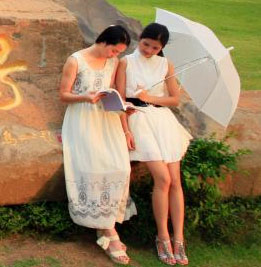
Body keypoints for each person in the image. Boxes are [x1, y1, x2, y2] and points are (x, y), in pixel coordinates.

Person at [59, 25, 135, 265]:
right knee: (94, 167)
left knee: (122, 168)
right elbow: (63, 95)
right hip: (82, 117)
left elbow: (113, 93)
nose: (115, 55)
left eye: (119, 52)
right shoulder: (76, 60)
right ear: (103, 41)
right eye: (113, 50)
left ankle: (106, 225)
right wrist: (86, 97)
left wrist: (125, 121)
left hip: (107, 119)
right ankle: (108, 231)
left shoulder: (114, 63)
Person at [115, 23, 191, 265]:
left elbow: (174, 99)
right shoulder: (126, 62)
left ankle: (179, 237)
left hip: (162, 120)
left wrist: (152, 98)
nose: (148, 50)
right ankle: (162, 236)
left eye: (155, 47)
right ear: (140, 39)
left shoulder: (165, 65)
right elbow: (119, 97)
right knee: (163, 178)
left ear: (162, 48)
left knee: (175, 180)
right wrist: (126, 126)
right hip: (137, 118)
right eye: (146, 44)